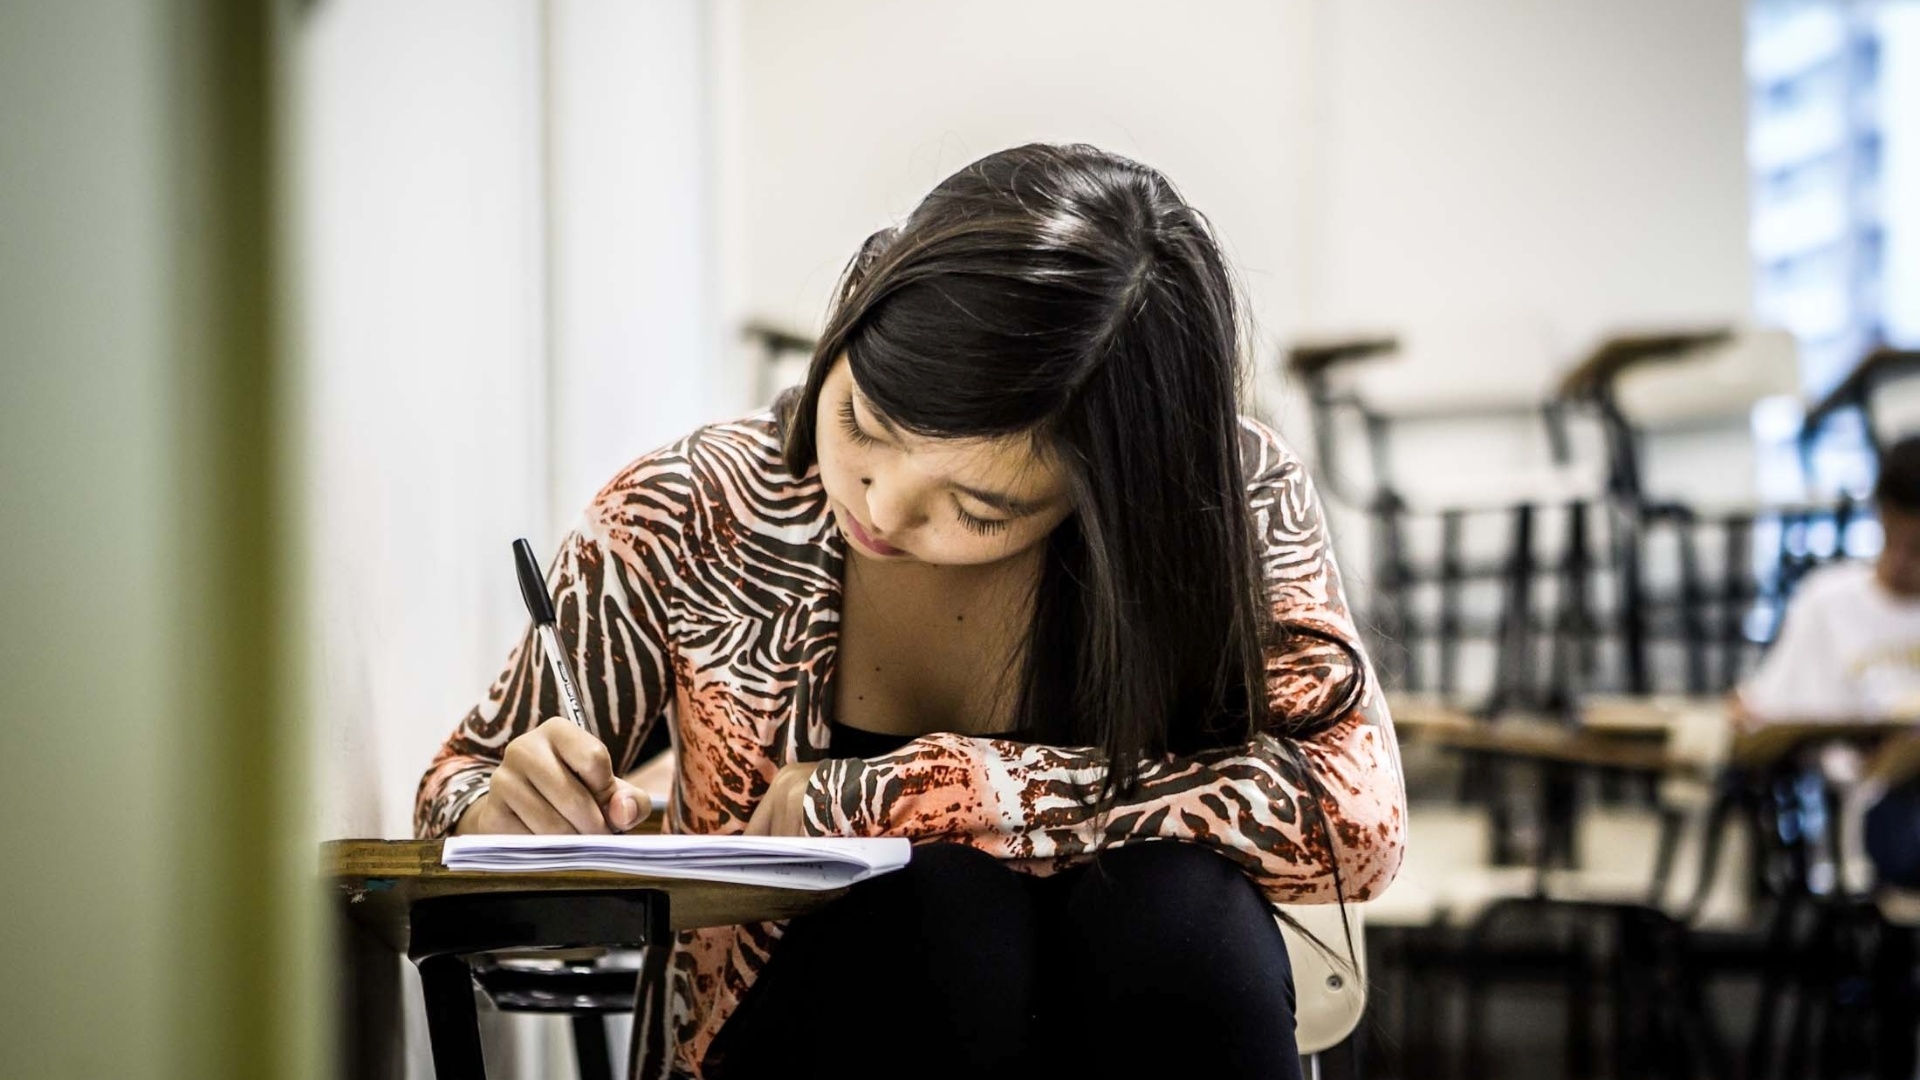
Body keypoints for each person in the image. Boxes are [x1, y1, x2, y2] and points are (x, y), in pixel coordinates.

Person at [415, 143, 1405, 1080]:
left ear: (1114, 497)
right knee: (928, 906)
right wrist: (506, 809)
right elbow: (460, 784)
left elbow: (1355, 818)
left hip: (1141, 1015)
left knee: (1176, 911)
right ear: (858, 308)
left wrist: (927, 790)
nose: (880, 507)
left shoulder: (1218, 498)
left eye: (980, 507)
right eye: (864, 423)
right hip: (806, 1028)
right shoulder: (696, 507)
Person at [1735, 435, 1920, 889]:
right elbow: (1760, 712)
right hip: (1885, 805)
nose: (1902, 561)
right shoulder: (1828, 600)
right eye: (1895, 538)